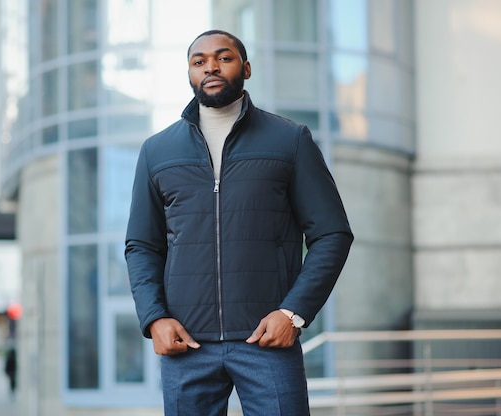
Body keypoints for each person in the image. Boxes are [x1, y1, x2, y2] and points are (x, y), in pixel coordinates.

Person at [125, 30, 354, 415]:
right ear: (190, 74)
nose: (210, 66)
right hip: (187, 345)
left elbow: (332, 234)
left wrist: (292, 312)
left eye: (223, 57)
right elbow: (142, 246)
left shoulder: (289, 140)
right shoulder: (157, 151)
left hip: (267, 342)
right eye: (199, 61)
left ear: (245, 68)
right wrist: (155, 318)